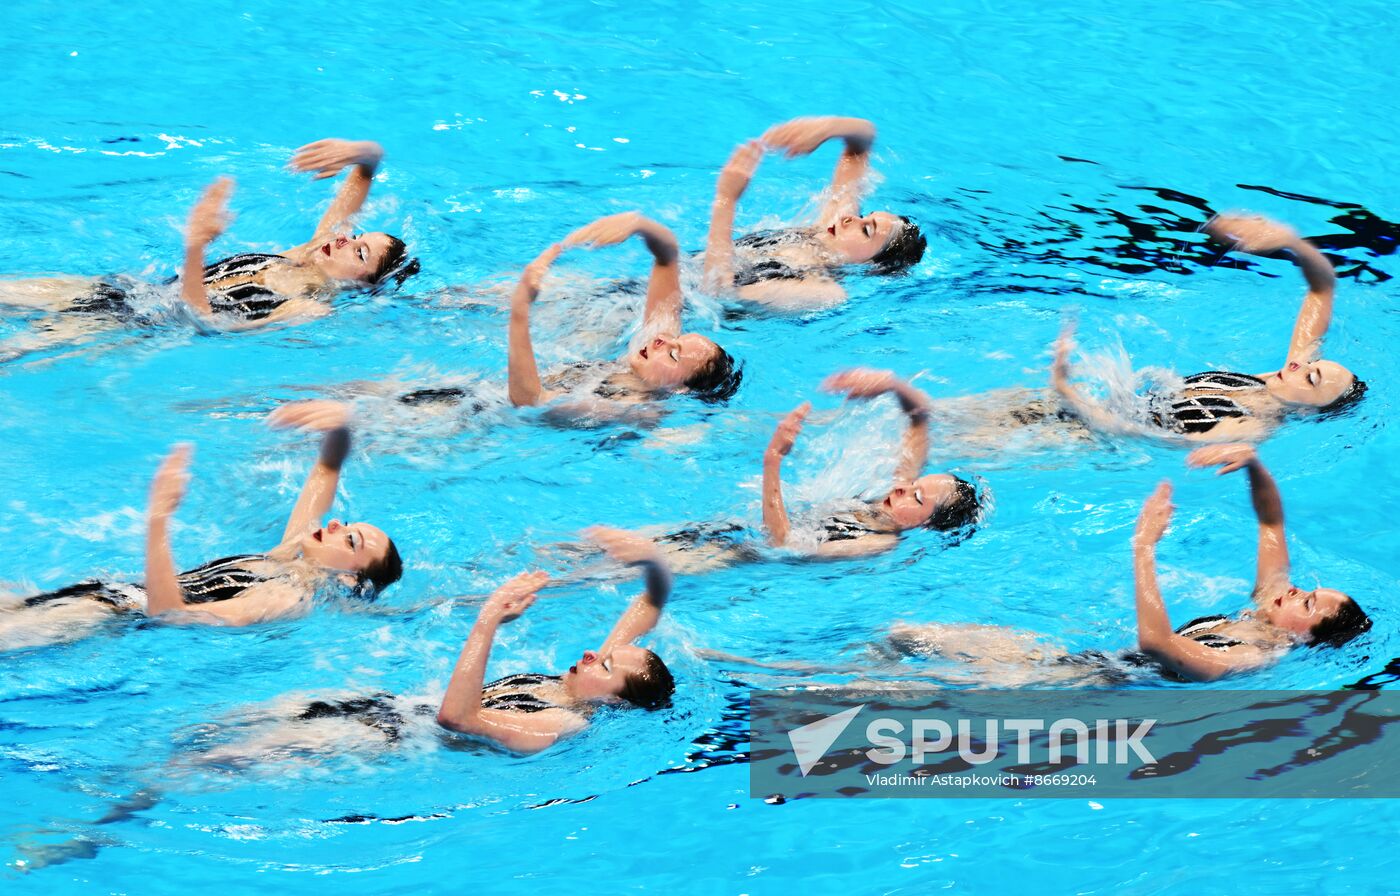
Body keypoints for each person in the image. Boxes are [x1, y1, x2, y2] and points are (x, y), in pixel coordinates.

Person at [1, 401, 402, 645]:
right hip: (97, 595)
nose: (334, 526)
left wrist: (158, 520)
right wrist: (342, 424)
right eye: (345, 524)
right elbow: (327, 468)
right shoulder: (285, 556)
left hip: (95, 619)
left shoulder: (285, 599)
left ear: (350, 580)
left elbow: (171, 616)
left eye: (351, 542)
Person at [0, 139, 416, 338]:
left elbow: (207, 321)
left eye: (359, 252)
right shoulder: (308, 252)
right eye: (355, 235)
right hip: (127, 291)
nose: (345, 239)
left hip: (129, 325)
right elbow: (365, 174)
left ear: (364, 285)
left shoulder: (307, 308)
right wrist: (362, 150)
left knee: (14, 350)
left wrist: (196, 246)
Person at [1053, 213, 1366, 441]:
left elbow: (1137, 436)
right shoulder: (1277, 379)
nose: (1298, 364)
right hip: (1086, 405)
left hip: (1077, 443)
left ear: (1307, 412)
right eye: (1310, 363)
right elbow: (1323, 287)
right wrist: (1292, 242)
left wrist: (1066, 389)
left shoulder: (1250, 428)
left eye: (1310, 377)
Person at [1130, 444, 1371, 680]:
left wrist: (1144, 544)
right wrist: (1253, 464)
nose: (1296, 590)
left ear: (1307, 637)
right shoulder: (1270, 606)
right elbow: (1271, 521)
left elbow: (1156, 642)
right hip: (1103, 668)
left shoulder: (1247, 657)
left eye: (1307, 603)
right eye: (1309, 591)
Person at [436, 528, 675, 754]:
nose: (591, 654)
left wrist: (488, 620)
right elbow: (651, 602)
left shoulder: (560, 723)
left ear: (614, 700)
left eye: (605, 665)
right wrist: (654, 560)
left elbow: (458, 718)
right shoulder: (574, 687)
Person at [508, 212, 741, 414]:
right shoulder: (653, 353)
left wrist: (520, 310)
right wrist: (639, 224)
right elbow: (667, 257)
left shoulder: (632, 408)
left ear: (678, 389)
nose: (663, 340)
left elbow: (531, 403)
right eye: (676, 339)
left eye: (673, 355)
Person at [702, 116, 927, 309]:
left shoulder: (822, 291)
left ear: (872, 265)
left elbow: (719, 294)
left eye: (867, 230)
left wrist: (726, 200)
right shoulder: (825, 230)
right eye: (865, 217)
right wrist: (827, 128)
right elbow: (862, 140)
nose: (851, 219)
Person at [763, 368, 982, 558]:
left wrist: (773, 457)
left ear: (925, 524)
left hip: (743, 561)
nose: (901, 488)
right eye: (914, 485)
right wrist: (891, 384)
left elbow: (782, 545)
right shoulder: (894, 490)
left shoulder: (876, 543)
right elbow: (920, 414)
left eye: (916, 497)